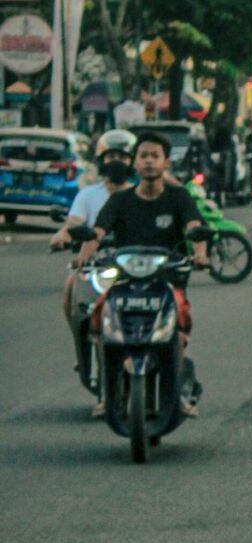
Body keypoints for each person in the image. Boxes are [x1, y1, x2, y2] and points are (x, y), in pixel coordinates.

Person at [79, 131, 208, 416]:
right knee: (101, 326)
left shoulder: (179, 197)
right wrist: (84, 255)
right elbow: (97, 232)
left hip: (168, 282)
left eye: (155, 156)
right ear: (134, 163)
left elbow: (194, 228)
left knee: (178, 333)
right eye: (143, 156)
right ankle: (105, 393)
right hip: (124, 281)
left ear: (165, 163)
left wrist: (200, 253)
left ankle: (178, 396)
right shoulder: (120, 200)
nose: (149, 162)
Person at [50, 129, 138, 321]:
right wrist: (62, 235)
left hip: (133, 262)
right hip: (95, 261)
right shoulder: (88, 194)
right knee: (71, 289)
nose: (116, 162)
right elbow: (74, 221)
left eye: (122, 157)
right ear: (101, 160)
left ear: (132, 161)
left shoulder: (139, 194)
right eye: (111, 156)